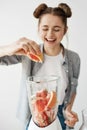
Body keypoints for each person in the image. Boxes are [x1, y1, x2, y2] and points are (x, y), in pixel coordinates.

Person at [0, 2, 80, 130]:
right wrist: (11, 47)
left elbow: (72, 89)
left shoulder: (74, 59)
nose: (50, 34)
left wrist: (68, 111)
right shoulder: (29, 53)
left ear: (65, 30)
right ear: (38, 29)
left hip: (59, 113)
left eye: (57, 29)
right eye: (45, 28)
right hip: (33, 113)